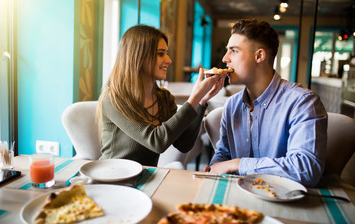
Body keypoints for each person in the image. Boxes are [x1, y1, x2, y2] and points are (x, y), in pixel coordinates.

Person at [204, 19, 327, 187]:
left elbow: (306, 170)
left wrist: (237, 164)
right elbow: (224, 154)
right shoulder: (232, 105)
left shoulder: (303, 103)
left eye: (234, 51)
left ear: (259, 56)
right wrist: (215, 167)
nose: (225, 59)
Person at [97, 25, 226, 166]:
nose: (169, 60)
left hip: (145, 178)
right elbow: (157, 142)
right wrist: (194, 98)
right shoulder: (114, 98)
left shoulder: (164, 98)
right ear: (138, 57)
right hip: (111, 177)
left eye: (167, 53)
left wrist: (201, 101)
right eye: (160, 54)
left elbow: (184, 145)